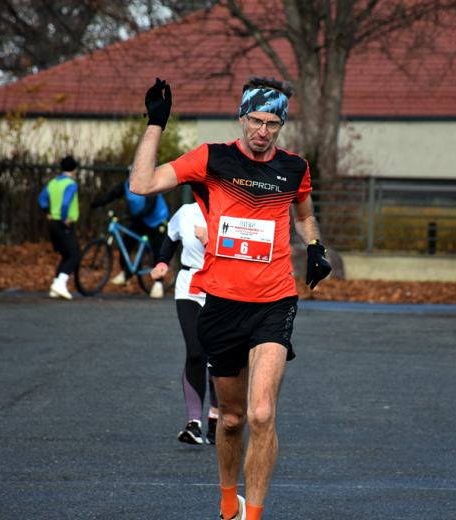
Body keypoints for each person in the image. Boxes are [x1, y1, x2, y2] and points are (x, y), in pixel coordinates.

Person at [131, 76, 331, 520]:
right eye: (255, 121)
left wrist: (314, 246)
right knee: (233, 419)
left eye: (272, 123)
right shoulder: (212, 159)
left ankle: (253, 516)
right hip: (221, 303)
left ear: (282, 124)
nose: (262, 131)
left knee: (262, 414)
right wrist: (156, 123)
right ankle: (227, 504)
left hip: (275, 301)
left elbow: (304, 211)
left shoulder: (294, 167)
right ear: (241, 117)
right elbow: (142, 184)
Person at [151, 203, 219, 445]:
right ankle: (194, 423)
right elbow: (171, 237)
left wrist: (209, 240)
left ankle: (215, 416)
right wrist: (162, 262)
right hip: (189, 286)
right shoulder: (186, 211)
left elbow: (239, 252)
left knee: (217, 358)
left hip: (221, 290)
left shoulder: (234, 209)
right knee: (195, 353)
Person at [90, 167, 169, 298]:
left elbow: (150, 207)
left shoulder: (150, 186)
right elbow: (112, 194)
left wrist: (136, 216)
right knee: (125, 244)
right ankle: (126, 272)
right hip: (140, 219)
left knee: (158, 250)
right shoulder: (126, 185)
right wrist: (97, 203)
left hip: (157, 220)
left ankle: (159, 284)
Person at [38, 156, 82, 299]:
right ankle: (60, 283)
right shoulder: (71, 184)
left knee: (66, 255)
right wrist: (64, 218)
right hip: (64, 224)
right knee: (75, 254)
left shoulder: (53, 183)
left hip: (54, 224)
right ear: (75, 169)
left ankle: (56, 286)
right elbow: (65, 203)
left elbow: (42, 198)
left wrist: (47, 212)